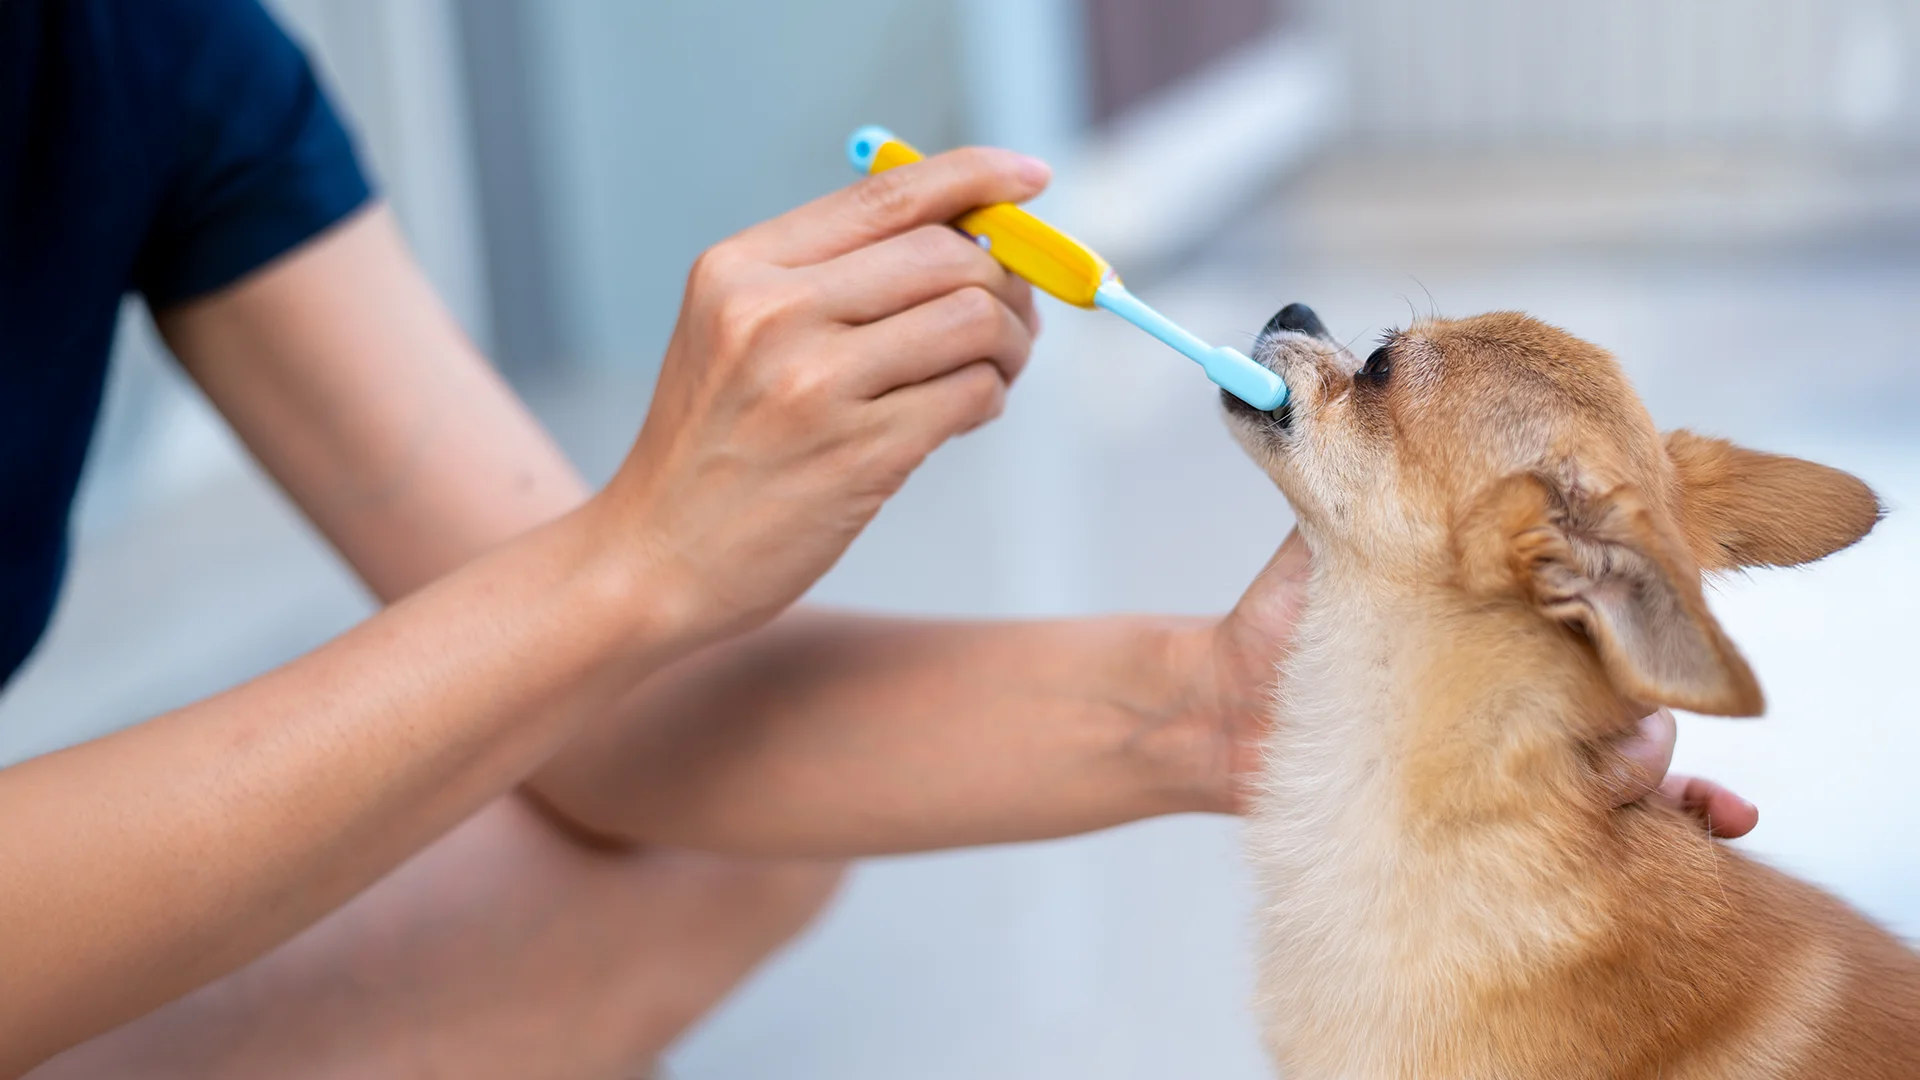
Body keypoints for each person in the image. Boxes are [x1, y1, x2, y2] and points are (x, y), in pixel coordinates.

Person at [0, 0, 1755, 1075]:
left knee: (743, 843)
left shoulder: (157, 55)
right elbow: (582, 616)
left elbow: (608, 729)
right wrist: (634, 561)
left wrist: (1216, 708)